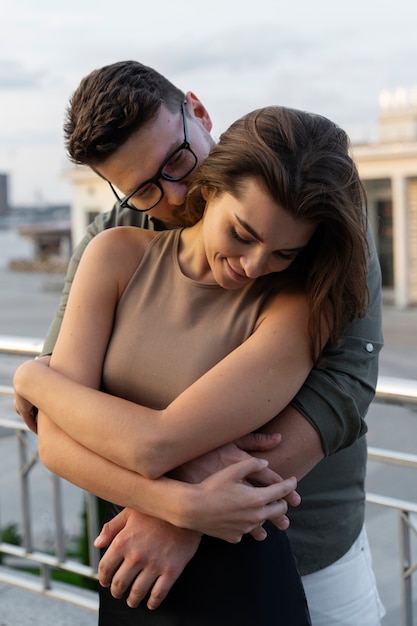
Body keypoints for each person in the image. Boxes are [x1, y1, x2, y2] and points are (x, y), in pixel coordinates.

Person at [16, 62, 385, 625]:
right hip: (142, 564)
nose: (175, 192)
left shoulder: (313, 210)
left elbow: (340, 390)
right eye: (143, 187)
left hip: (303, 547)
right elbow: (59, 417)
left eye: (178, 161)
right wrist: (177, 502)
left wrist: (176, 516)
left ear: (198, 111)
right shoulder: (113, 242)